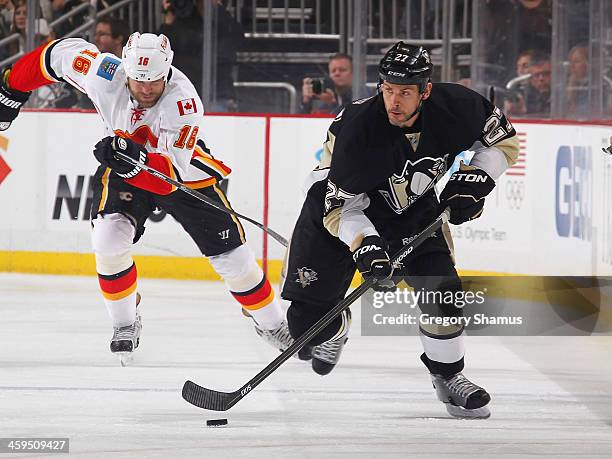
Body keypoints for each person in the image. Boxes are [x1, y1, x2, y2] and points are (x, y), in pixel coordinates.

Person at [0, 32, 292, 364]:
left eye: (154, 81)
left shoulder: (184, 104)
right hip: (127, 169)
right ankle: (124, 322)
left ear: (167, 71)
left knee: (234, 260)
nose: (147, 89)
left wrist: (134, 158)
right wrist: (11, 88)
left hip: (181, 176)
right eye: (139, 81)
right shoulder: (103, 73)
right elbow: (55, 56)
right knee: (107, 241)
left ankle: (272, 325)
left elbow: (168, 179)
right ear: (126, 70)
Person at [281, 42, 519, 418]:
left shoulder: (456, 106)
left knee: (444, 294)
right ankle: (336, 326)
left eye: (405, 92)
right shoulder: (359, 131)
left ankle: (448, 377)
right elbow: (341, 207)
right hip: (336, 211)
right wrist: (367, 244)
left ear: (425, 90)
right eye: (388, 89)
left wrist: (477, 180)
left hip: (410, 210)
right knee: (305, 326)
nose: (394, 100)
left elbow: (502, 140)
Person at [159, 0, 244, 111]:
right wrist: (169, 18)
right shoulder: (178, 21)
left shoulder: (220, 21)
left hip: (216, 92)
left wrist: (215, 7)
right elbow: (161, 53)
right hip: (183, 95)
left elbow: (238, 39)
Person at [301, 53, 366, 115]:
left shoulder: (367, 95)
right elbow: (304, 123)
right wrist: (306, 101)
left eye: (342, 70)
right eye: (333, 71)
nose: (337, 73)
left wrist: (332, 105)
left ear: (353, 73)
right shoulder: (326, 97)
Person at [505, 50, 551, 116]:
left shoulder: (563, 95)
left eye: (546, 74)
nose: (541, 78)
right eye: (536, 75)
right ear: (530, 76)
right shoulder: (523, 95)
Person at [565, 44, 589, 118]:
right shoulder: (566, 85)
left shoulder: (601, 86)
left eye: (577, 61)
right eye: (570, 62)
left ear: (587, 64)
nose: (572, 65)